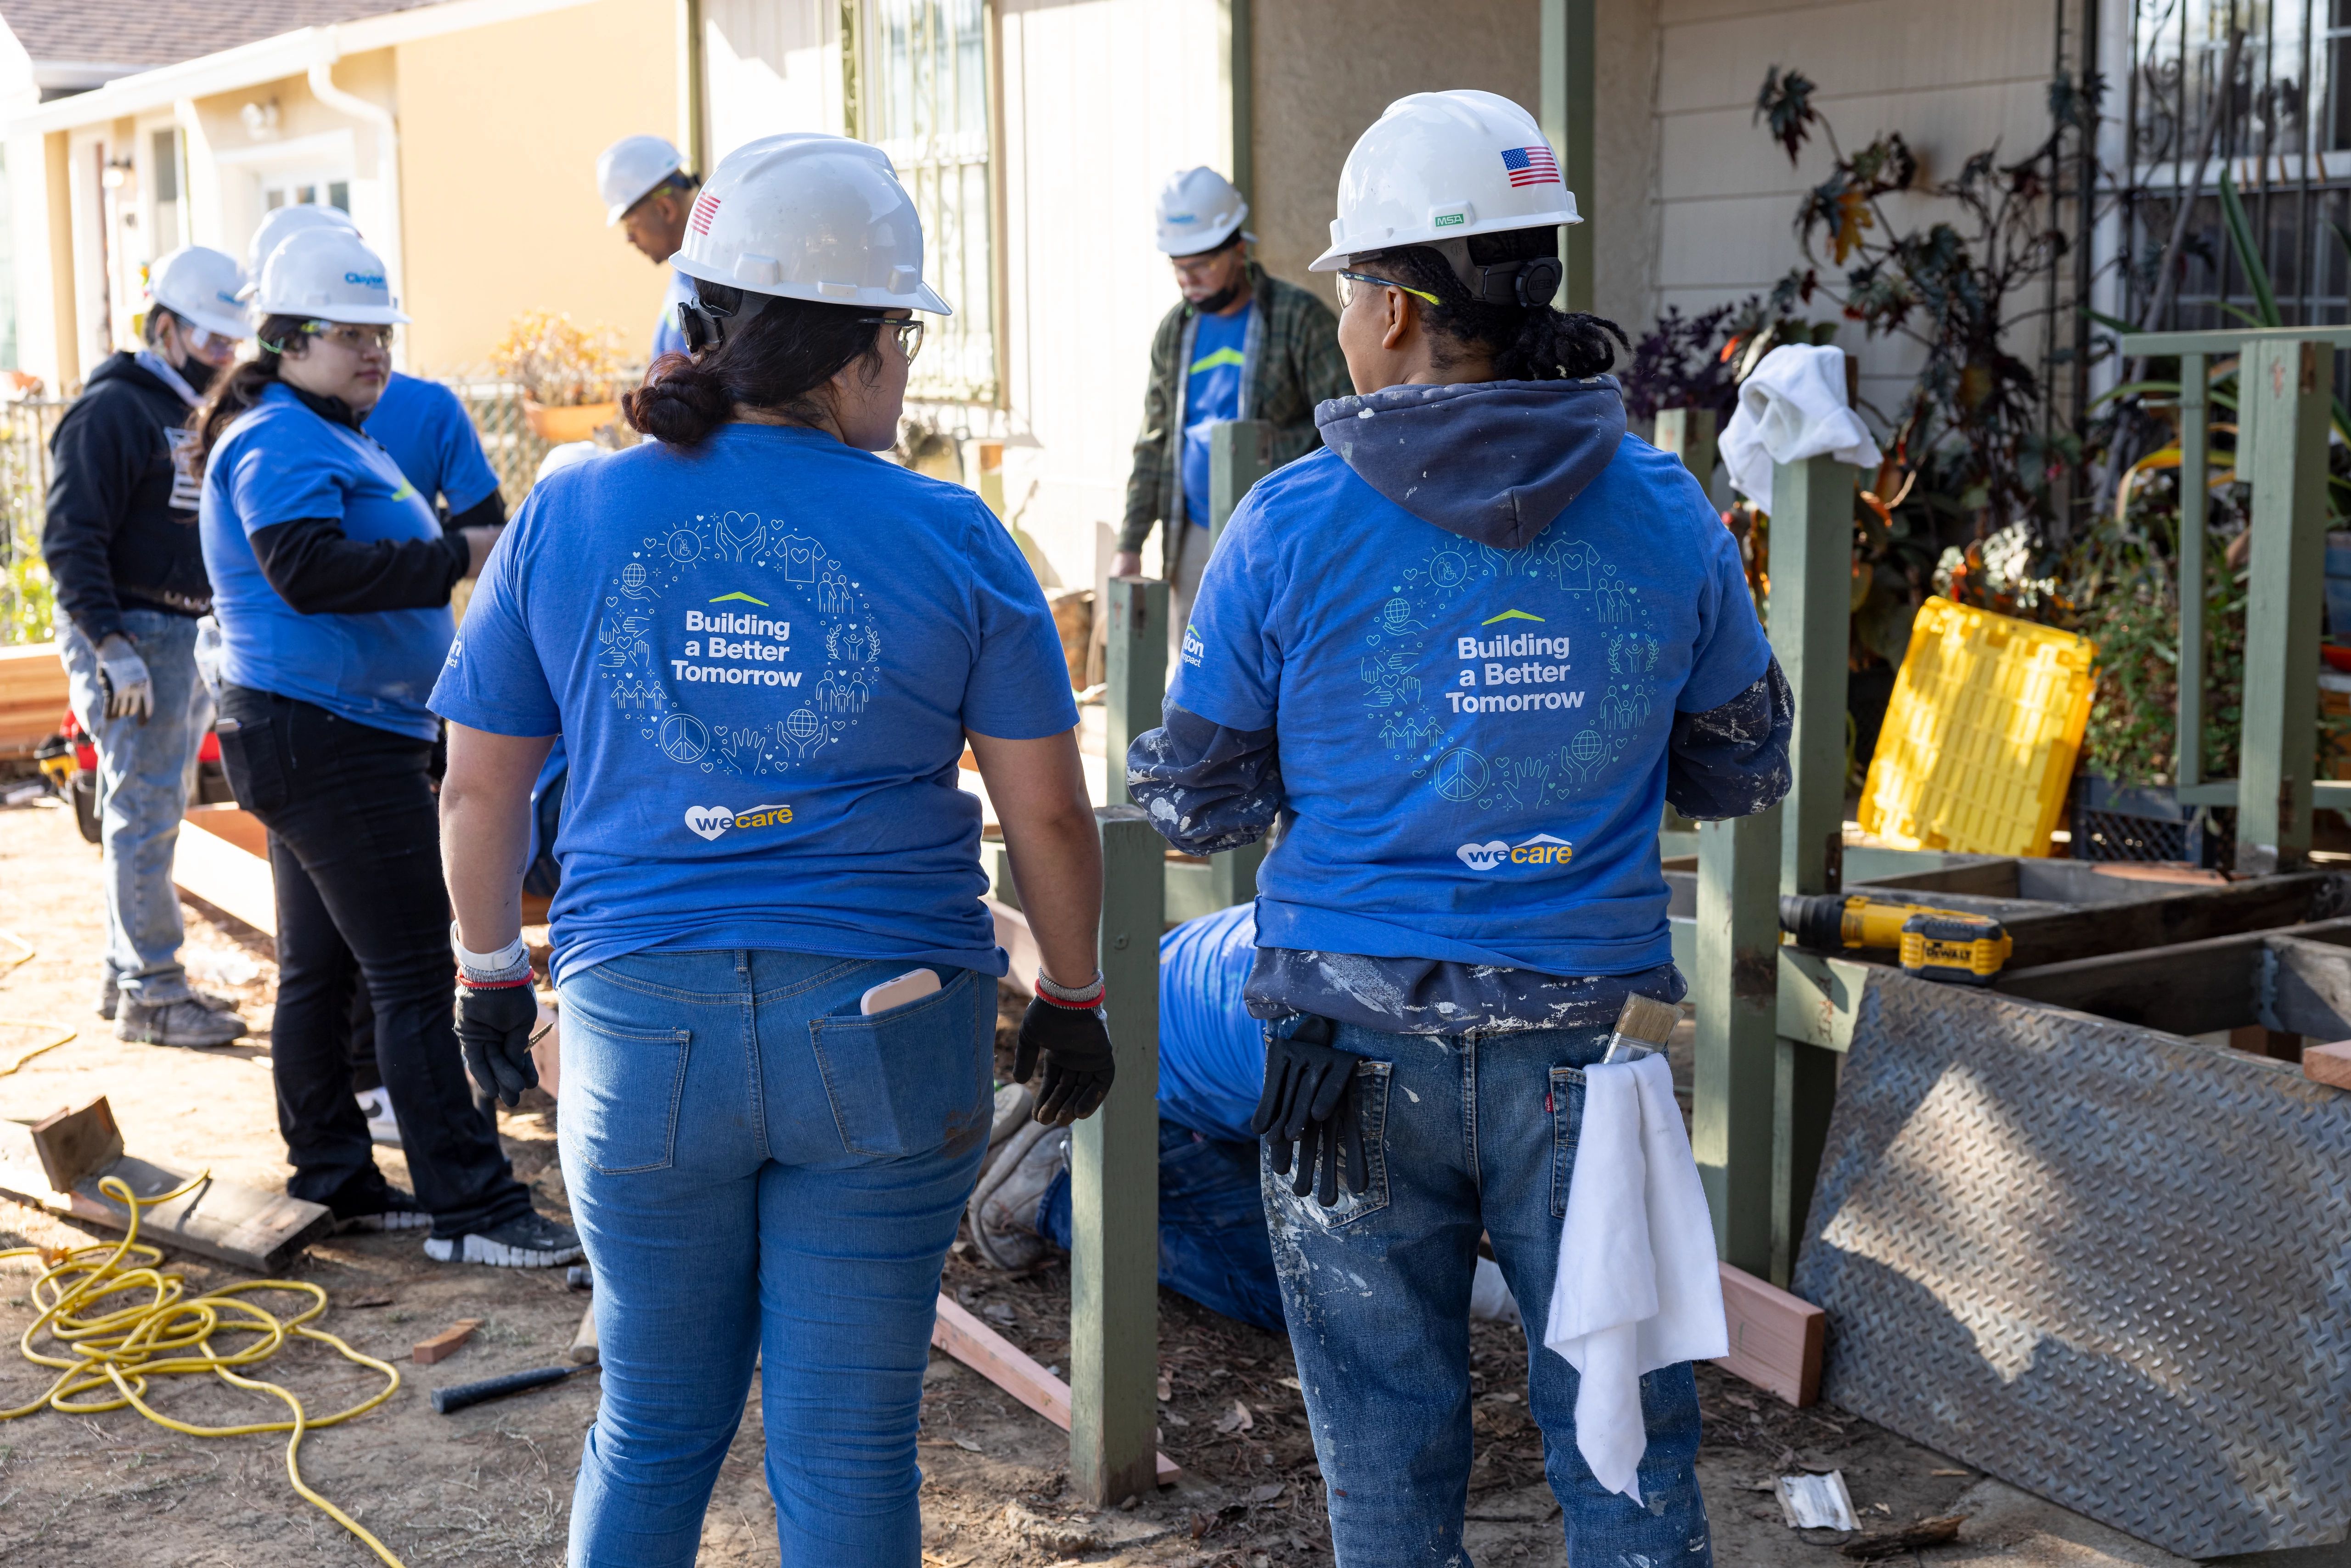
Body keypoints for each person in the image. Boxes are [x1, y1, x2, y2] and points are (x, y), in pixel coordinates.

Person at [429, 131, 1116, 1564]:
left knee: (655, 1426)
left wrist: (489, 970)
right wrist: (1071, 994)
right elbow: (1046, 809)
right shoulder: (953, 532)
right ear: (864, 349)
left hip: (640, 1026)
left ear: (700, 322)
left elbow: (476, 787)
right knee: (844, 1440)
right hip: (883, 1027)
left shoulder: (574, 506)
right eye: (903, 340)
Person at [1127, 90, 1794, 1566]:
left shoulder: (1287, 525)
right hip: (1591, 1043)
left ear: (1376, 306)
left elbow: (1191, 801)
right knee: (1622, 1446)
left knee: (1383, 1454)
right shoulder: (1663, 506)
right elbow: (1744, 766)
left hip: (1342, 1050)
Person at [193, 225, 579, 1265]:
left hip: (320, 733)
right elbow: (307, 569)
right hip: (331, 740)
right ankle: (475, 1205)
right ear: (283, 338)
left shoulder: (323, 428)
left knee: (319, 971)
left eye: (383, 334)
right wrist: (455, 555)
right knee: (415, 973)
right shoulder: (280, 437)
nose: (374, 351)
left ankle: (336, 1174)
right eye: (348, 332)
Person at [970, 902, 1525, 1337]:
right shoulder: (1379, 1051)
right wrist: (1526, 1300)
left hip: (1186, 1027)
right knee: (1323, 1295)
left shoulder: (1383, 914)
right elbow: (1394, 1245)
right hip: (1146, 1091)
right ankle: (1053, 1188)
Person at [42, 246, 253, 1048]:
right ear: (163, 327)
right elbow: (69, 538)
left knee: (150, 803)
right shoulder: (115, 412)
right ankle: (154, 994)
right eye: (211, 341)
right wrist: (108, 641)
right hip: (134, 631)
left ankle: (125, 976)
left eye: (232, 343)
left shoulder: (185, 408)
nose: (223, 357)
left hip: (175, 630)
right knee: (145, 809)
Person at [1114, 166, 1351, 657]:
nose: (1187, 280)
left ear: (1238, 249)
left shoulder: (1298, 318)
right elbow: (1155, 442)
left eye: (1200, 265)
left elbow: (1345, 428)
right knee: (1200, 676)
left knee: (1276, 667)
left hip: (1282, 533)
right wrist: (1130, 543)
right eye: (1177, 266)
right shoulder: (1174, 333)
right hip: (1194, 534)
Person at [596, 134, 699, 360]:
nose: (629, 239)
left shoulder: (711, 287)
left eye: (629, 224)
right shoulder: (685, 273)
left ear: (665, 209)